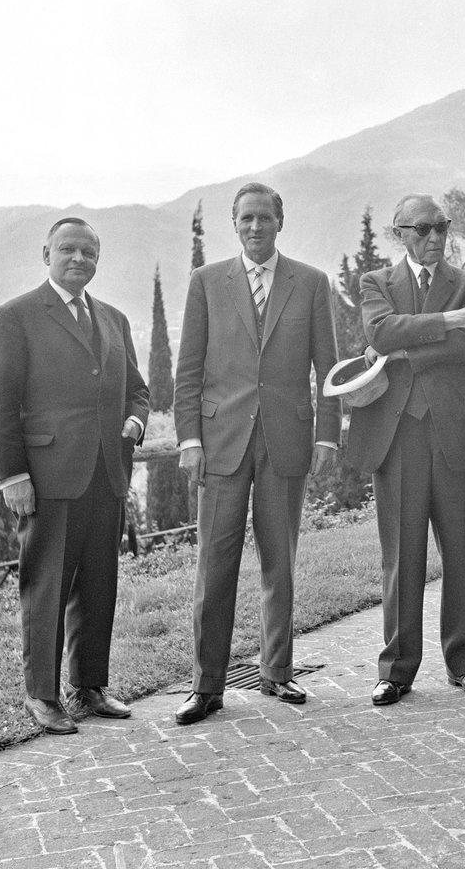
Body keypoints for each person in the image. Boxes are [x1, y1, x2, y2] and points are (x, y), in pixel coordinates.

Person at [173, 182, 340, 725]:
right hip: (221, 443)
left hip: (285, 440)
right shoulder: (206, 282)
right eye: (246, 218)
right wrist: (190, 439)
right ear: (235, 223)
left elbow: (329, 369)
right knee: (214, 565)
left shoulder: (310, 283)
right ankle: (206, 687)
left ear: (279, 222)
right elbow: (188, 369)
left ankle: (277, 671)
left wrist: (327, 436)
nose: (255, 227)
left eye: (264, 217)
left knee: (280, 562)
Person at [0, 218, 148, 734]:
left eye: (88, 252)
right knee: (47, 588)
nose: (78, 258)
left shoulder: (114, 319)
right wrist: (11, 475)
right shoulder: (13, 318)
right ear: (46, 254)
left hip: (107, 474)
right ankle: (42, 695)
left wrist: (136, 421)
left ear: (97, 259)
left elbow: (137, 389)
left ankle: (90, 686)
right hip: (46, 478)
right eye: (67, 249)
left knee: (99, 585)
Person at [346, 194, 465, 706]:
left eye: (441, 228)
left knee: (459, 553)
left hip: (455, 434)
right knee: (401, 556)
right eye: (423, 229)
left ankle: (463, 662)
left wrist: (401, 350)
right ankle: (397, 669)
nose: (435, 238)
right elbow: (379, 331)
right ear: (400, 233)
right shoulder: (376, 283)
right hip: (398, 438)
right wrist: (449, 322)